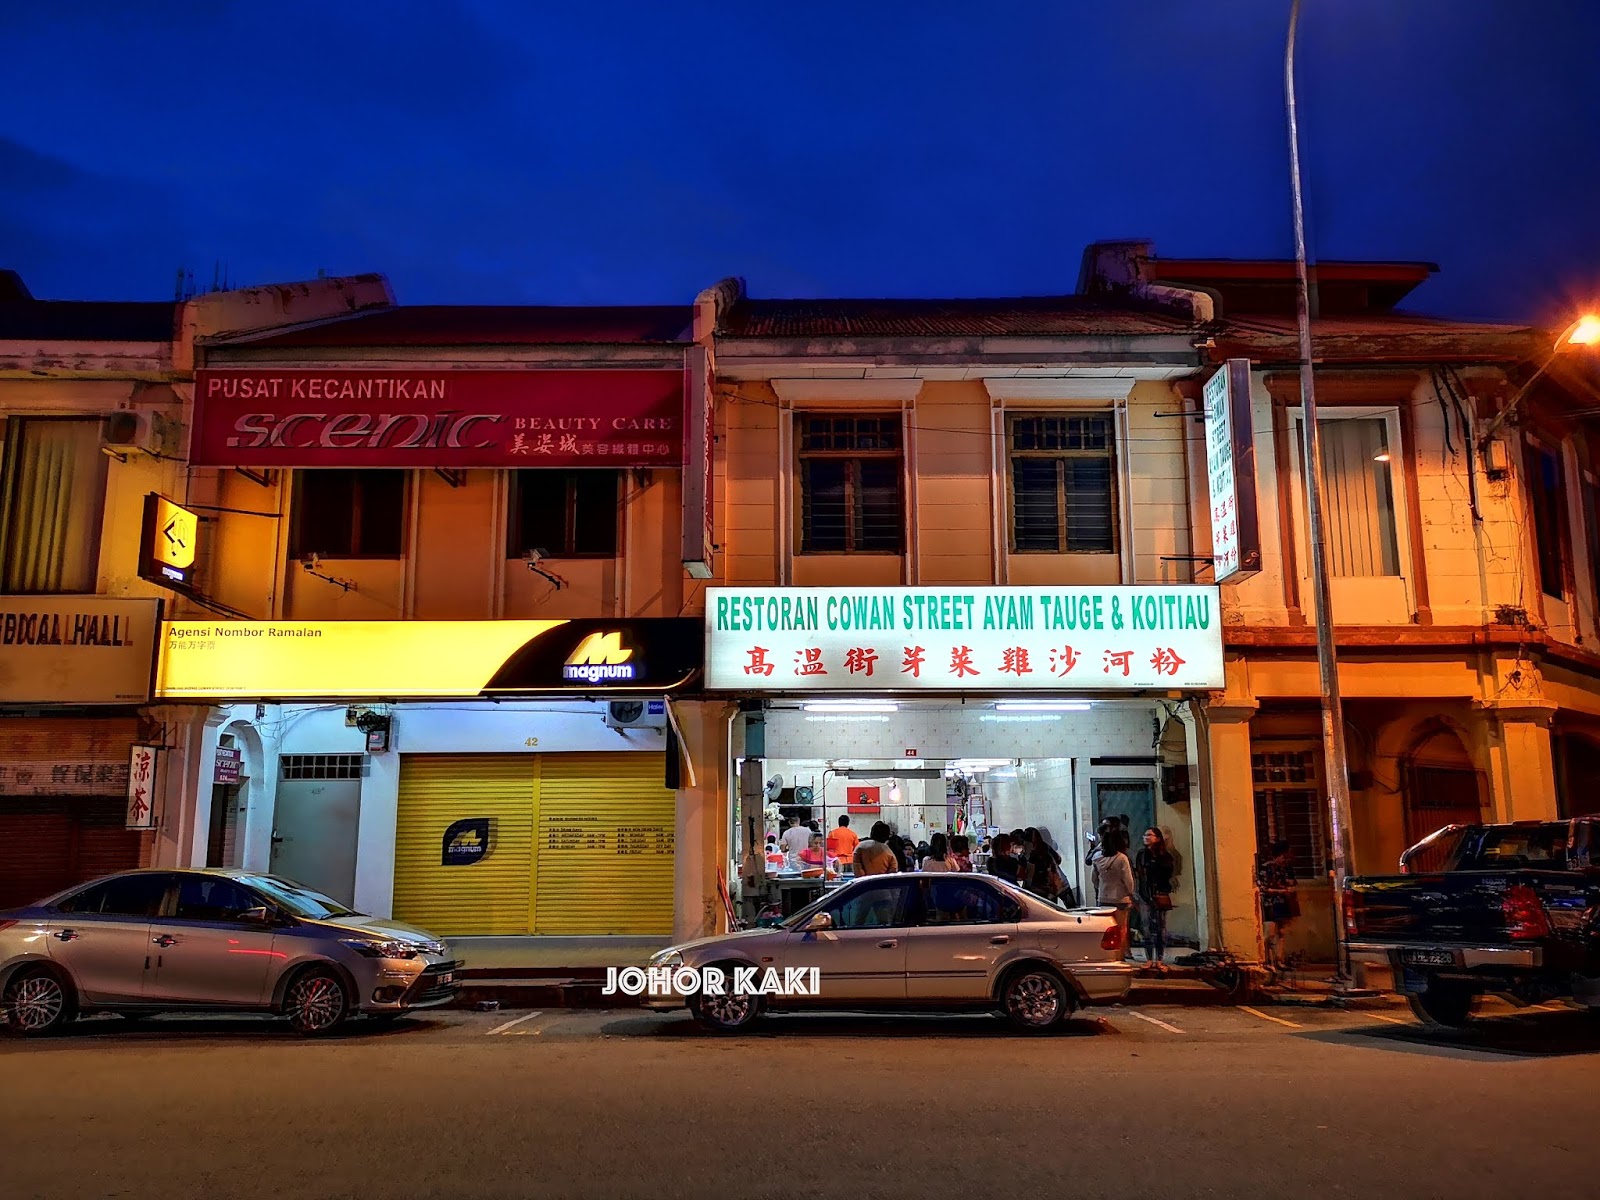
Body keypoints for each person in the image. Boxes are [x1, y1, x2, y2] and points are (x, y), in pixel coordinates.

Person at [1134, 827, 1177, 969]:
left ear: (1157, 838)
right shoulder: (1141, 854)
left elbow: (1167, 874)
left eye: (1149, 835)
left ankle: (1159, 958)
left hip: (1160, 893)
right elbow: (1140, 875)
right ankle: (1148, 958)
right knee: (1146, 927)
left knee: (1161, 927)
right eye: (1145, 835)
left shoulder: (1165, 856)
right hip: (1145, 894)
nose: (1146, 837)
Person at [1255, 839, 1300, 968]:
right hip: (1271, 904)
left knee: (1281, 932)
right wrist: (1281, 891)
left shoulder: (1287, 868)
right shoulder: (1266, 868)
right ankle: (1267, 960)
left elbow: (1292, 883)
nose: (1287, 859)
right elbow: (1263, 888)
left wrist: (1289, 889)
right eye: (1285, 856)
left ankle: (1279, 959)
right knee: (1269, 933)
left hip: (1284, 903)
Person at [1092, 827, 1136, 959]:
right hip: (1120, 898)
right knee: (1122, 928)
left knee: (1106, 929)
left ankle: (1108, 955)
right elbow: (1128, 880)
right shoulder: (1122, 858)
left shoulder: (1096, 857)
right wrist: (1131, 893)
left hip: (1103, 897)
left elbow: (1093, 879)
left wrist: (1100, 888)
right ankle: (1120, 955)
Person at [1026, 832, 1066, 901]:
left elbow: (1030, 874)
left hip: (1041, 887)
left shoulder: (1033, 855)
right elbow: (1058, 859)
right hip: (1053, 885)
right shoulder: (1045, 847)